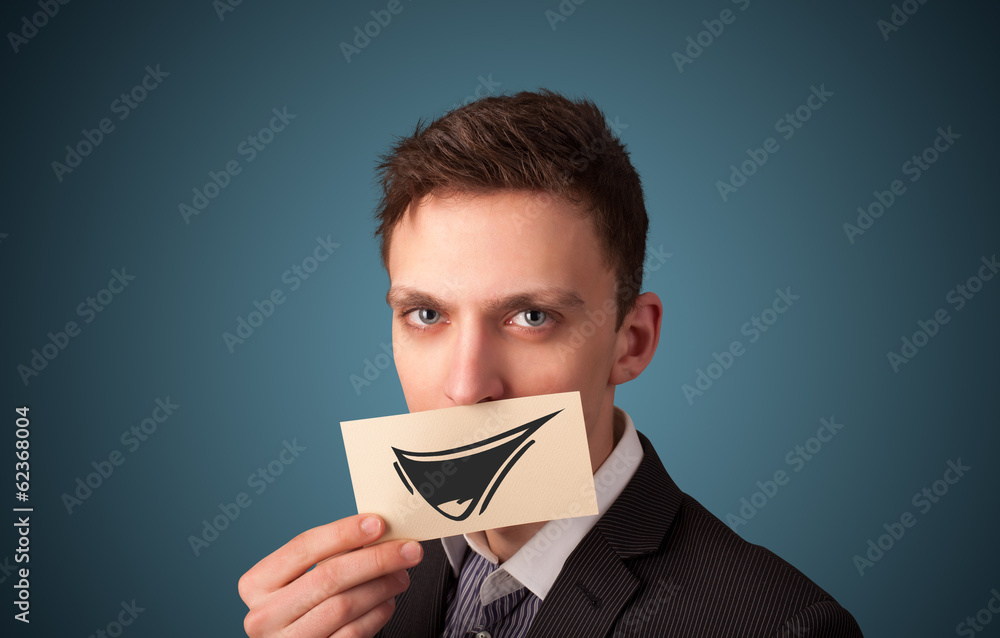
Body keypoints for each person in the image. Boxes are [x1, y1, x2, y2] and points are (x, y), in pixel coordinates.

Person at [239, 90, 863, 637]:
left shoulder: (777, 627)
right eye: (426, 315)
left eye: (531, 317)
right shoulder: (349, 612)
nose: (466, 387)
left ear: (632, 341)